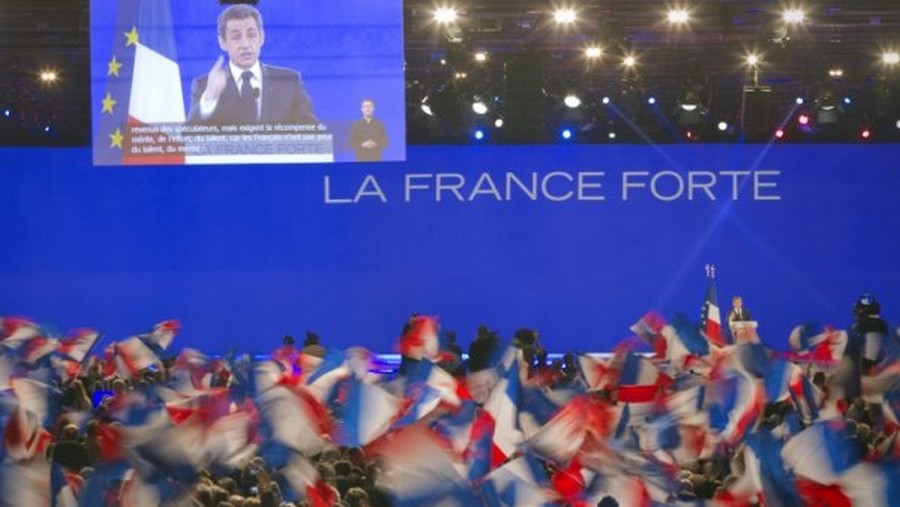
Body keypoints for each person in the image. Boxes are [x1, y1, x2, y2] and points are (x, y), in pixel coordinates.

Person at [187, 4, 318, 125]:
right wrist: (211, 96)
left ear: (261, 37)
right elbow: (189, 137)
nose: (245, 44)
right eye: (236, 37)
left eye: (251, 35)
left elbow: (313, 132)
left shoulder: (288, 81)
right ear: (223, 42)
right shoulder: (204, 86)